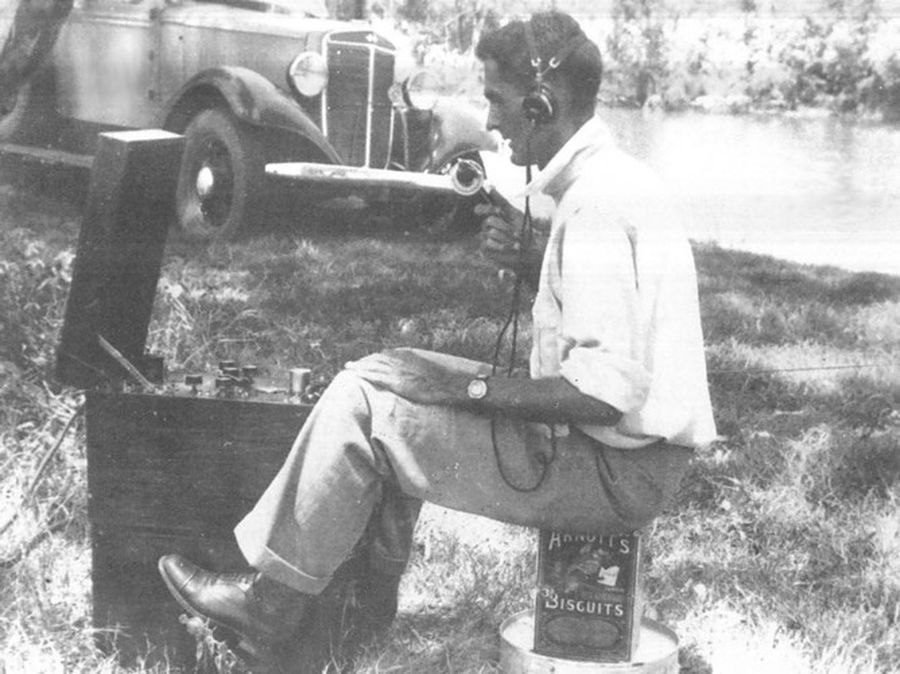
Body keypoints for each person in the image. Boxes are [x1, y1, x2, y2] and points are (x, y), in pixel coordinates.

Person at [158, 10, 716, 669]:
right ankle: (363, 607)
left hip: (613, 475)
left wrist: (464, 388)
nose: (493, 121)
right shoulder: (614, 180)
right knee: (386, 370)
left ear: (542, 103)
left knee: (368, 409)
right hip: (623, 457)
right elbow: (614, 328)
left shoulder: (596, 205)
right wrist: (535, 265)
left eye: (498, 100)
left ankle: (272, 604)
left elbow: (603, 396)